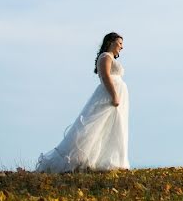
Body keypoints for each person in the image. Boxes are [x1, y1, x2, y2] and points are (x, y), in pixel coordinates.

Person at [36, 32, 130, 172]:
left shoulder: (109, 57)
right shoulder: (105, 57)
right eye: (120, 43)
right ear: (111, 42)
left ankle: (109, 161)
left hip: (115, 96)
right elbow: (105, 77)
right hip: (108, 96)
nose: (122, 47)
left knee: (112, 127)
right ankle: (75, 161)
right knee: (94, 127)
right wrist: (114, 95)